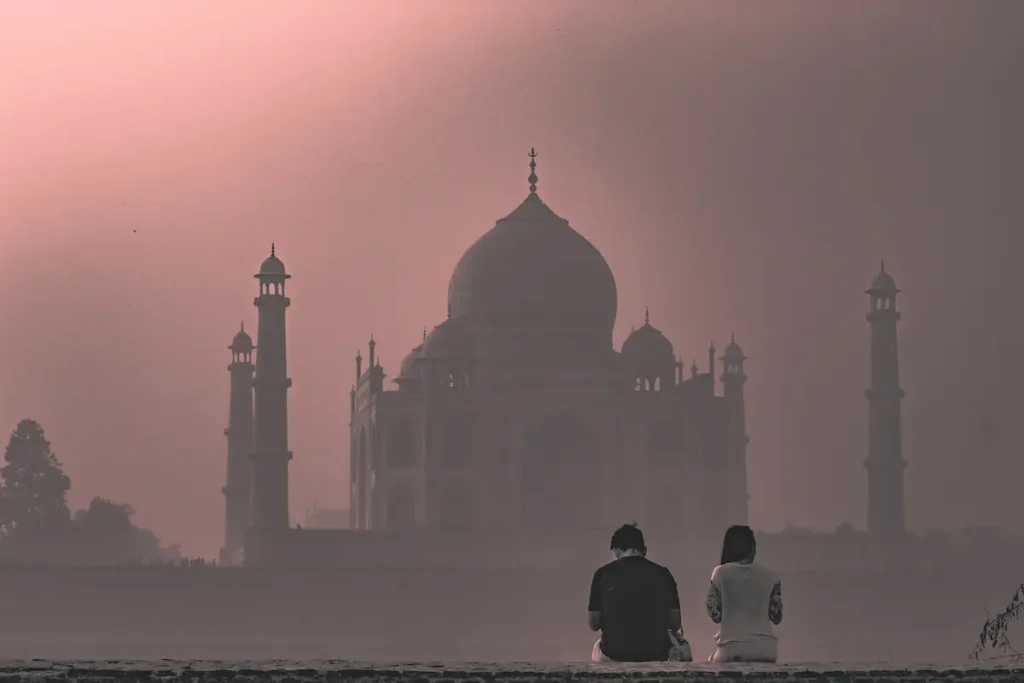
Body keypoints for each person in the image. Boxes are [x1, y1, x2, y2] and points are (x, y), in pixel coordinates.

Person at [588, 523, 691, 662]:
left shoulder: (602, 574)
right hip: (655, 654)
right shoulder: (663, 574)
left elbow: (594, 624)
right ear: (644, 551)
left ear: (617, 551)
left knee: (597, 647)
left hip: (613, 654)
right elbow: (675, 623)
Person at [705, 525, 783, 663]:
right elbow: (776, 616)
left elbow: (714, 614)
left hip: (731, 648)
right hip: (766, 650)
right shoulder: (770, 576)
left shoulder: (720, 573)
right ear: (752, 548)